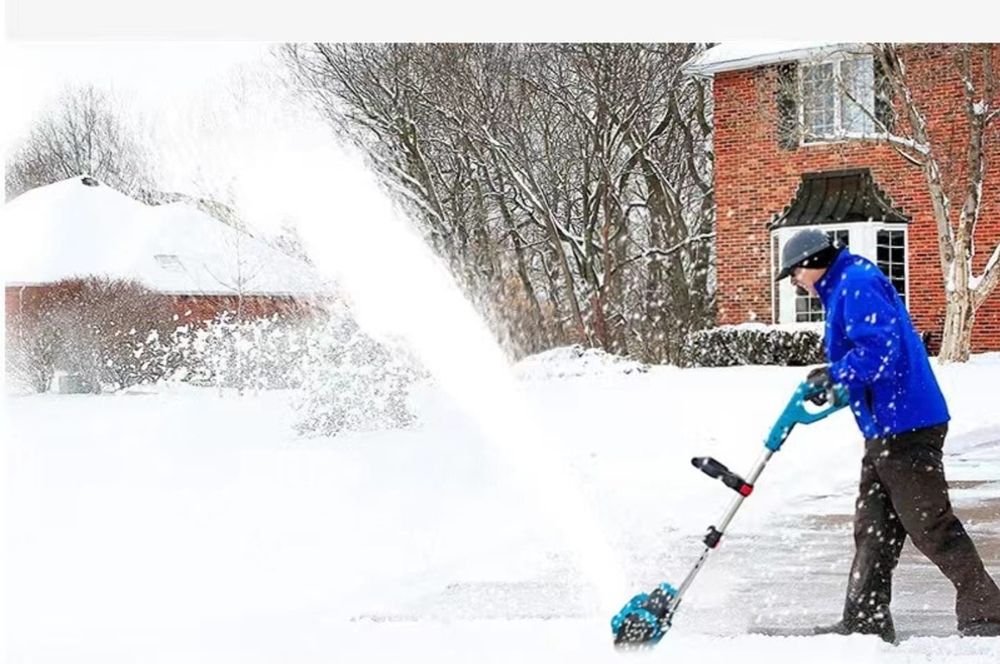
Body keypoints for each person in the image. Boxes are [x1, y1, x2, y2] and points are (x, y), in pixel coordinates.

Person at [775, 228, 1000, 642]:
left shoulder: (856, 284)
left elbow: (881, 353)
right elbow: (870, 359)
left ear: (811, 262)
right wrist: (836, 382)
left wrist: (836, 374)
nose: (793, 281)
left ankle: (988, 612)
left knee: (930, 523)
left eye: (793, 273)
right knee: (874, 528)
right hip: (887, 427)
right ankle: (865, 621)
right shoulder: (846, 283)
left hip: (907, 426)